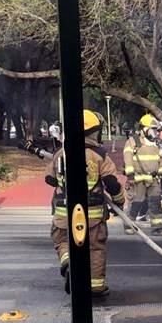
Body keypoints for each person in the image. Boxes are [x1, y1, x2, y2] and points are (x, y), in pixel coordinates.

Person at [45, 110, 125, 296]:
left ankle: (67, 262)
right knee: (95, 248)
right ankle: (96, 286)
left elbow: (49, 179)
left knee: (62, 240)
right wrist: (119, 201)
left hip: (64, 212)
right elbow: (112, 183)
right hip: (93, 214)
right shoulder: (99, 155)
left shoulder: (61, 153)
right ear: (91, 132)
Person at [123, 114, 162, 235]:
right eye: (153, 129)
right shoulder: (133, 142)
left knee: (156, 202)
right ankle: (129, 225)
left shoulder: (156, 143)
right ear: (144, 129)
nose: (155, 133)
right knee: (136, 202)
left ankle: (157, 228)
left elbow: (161, 159)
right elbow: (127, 158)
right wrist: (130, 175)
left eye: (156, 130)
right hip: (138, 178)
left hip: (153, 179)